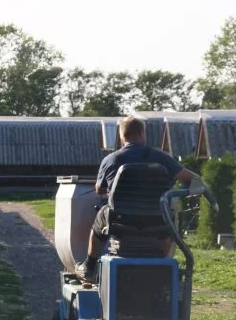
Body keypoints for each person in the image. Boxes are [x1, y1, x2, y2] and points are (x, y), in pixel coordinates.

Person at [76, 116, 198, 282]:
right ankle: (162, 265)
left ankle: (90, 266)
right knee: (169, 217)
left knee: (101, 216)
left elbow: (100, 190)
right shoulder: (161, 158)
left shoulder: (111, 159)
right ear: (142, 134)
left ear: (121, 136)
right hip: (157, 221)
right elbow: (193, 180)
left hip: (121, 222)